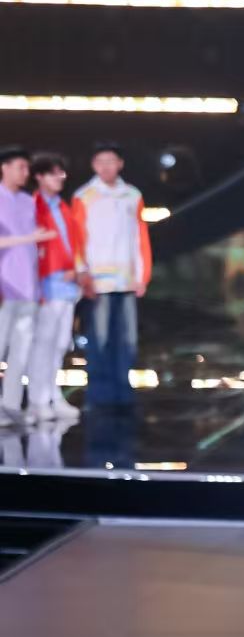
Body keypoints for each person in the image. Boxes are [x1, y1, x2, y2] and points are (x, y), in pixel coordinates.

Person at [70, 143, 149, 413]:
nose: (106, 167)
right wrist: (82, 273)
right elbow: (77, 239)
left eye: (110, 161)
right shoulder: (84, 196)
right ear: (94, 165)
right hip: (98, 280)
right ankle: (99, 393)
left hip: (126, 280)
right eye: (100, 162)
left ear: (120, 164)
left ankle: (123, 392)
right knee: (100, 337)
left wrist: (142, 275)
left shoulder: (132, 195)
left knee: (127, 339)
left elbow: (140, 237)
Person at [0, 145, 53, 430]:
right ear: (4, 167)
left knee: (20, 352)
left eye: (26, 168)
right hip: (4, 287)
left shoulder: (26, 201)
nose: (25, 173)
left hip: (28, 287)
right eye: (20, 167)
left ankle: (9, 405)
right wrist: (27, 238)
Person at [28, 152, 83, 426]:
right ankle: (38, 401)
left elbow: (73, 243)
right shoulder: (32, 207)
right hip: (46, 285)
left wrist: (77, 270)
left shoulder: (62, 207)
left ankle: (53, 395)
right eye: (53, 173)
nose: (60, 177)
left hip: (67, 286)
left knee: (60, 344)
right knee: (43, 344)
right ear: (39, 177)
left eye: (61, 172)